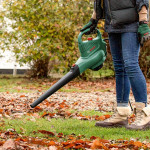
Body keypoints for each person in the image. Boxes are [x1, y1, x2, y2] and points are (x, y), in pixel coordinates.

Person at [81, 0, 150, 130]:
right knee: (120, 68)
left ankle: (144, 113)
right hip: (113, 24)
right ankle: (122, 112)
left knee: (131, 65)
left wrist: (143, 21)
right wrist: (94, 19)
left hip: (131, 23)